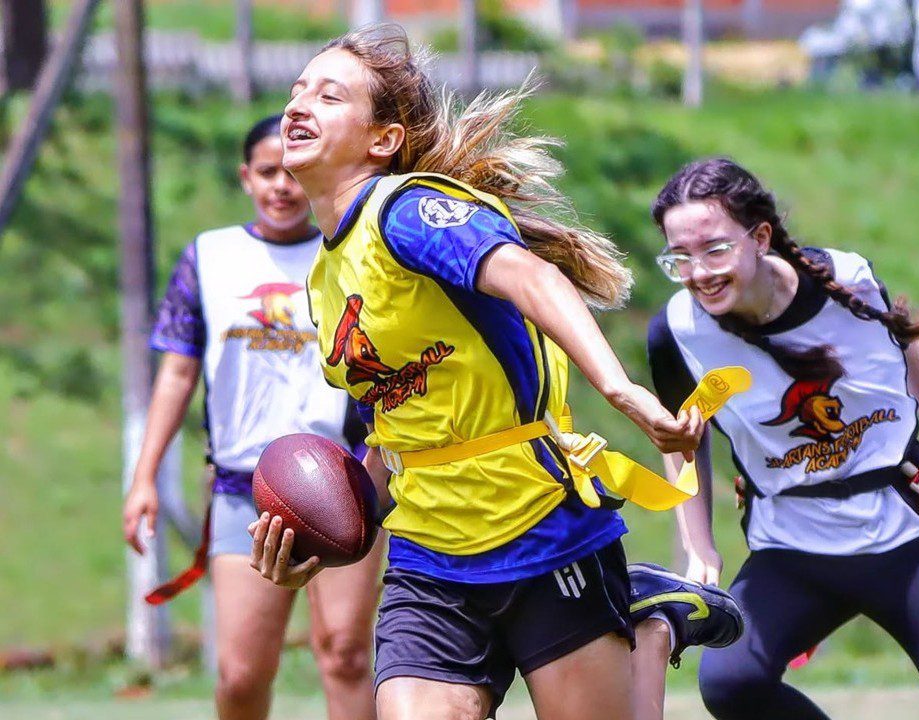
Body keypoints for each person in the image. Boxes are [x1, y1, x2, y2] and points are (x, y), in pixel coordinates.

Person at [248, 24, 744, 720]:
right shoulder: (325, 277)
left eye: (329, 96)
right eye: (297, 91)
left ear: (382, 140)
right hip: (429, 558)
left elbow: (531, 276)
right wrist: (334, 534)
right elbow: (393, 430)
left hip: (541, 528)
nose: (299, 105)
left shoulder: (408, 210)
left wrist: (617, 386)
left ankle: (649, 626)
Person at [646, 157, 919, 720]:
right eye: (682, 258)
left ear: (760, 237)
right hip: (791, 547)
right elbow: (682, 439)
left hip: (907, 532)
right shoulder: (678, 330)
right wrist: (700, 547)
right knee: (730, 683)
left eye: (716, 249)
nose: (700, 271)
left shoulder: (846, 278)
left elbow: (900, 338)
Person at [122, 115, 384, 720]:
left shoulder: (349, 254)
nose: (282, 186)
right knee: (241, 674)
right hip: (245, 489)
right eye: (268, 173)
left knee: (344, 652)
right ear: (246, 178)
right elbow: (179, 372)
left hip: (343, 482)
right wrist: (144, 479)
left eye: (294, 173)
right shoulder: (210, 257)